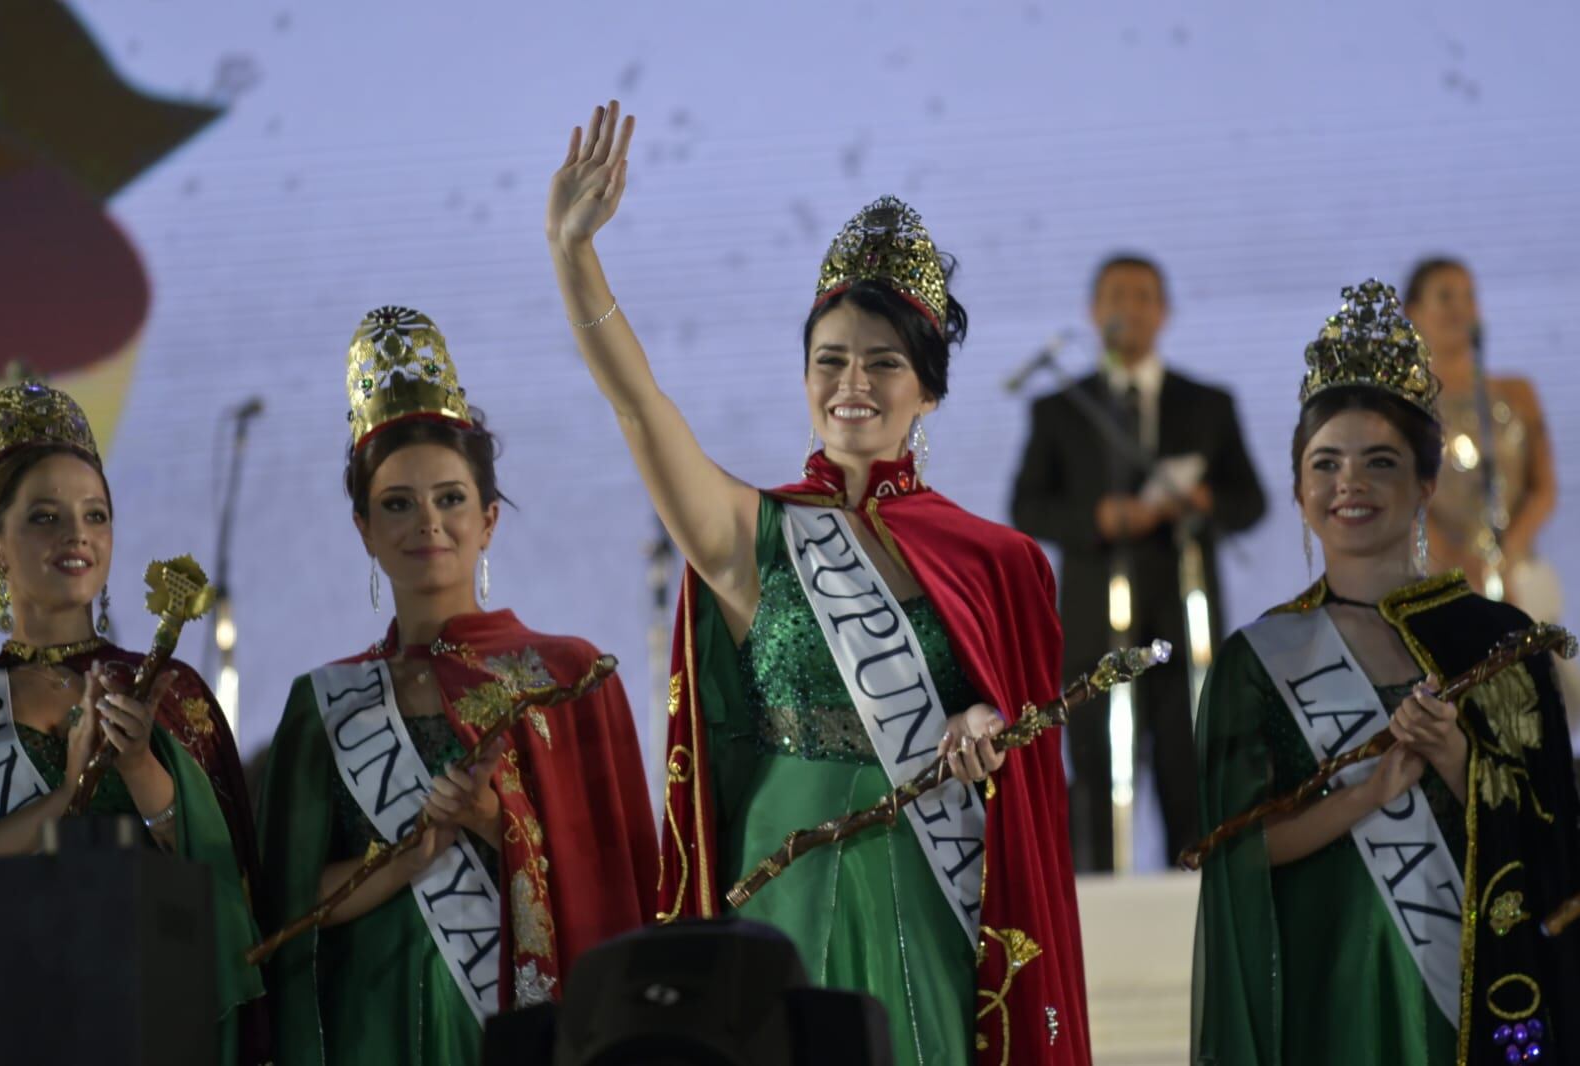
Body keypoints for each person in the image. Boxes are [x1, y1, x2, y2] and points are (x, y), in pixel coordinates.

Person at [546, 101, 1089, 1066]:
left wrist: (979, 724)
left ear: (927, 389)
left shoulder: (999, 562)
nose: (854, 381)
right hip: (779, 863)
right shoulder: (754, 533)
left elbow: (1027, 768)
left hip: (928, 869)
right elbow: (639, 408)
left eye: (885, 362)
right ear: (803, 375)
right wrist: (573, 254)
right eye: (829, 358)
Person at [256, 307, 658, 1065]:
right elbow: (284, 909)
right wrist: (407, 859)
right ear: (363, 530)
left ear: (489, 520)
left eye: (449, 499)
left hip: (510, 1031)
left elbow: (616, 885)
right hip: (365, 1026)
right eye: (397, 505)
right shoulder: (324, 702)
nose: (427, 524)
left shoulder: (570, 676)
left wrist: (496, 822)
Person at [1192, 280, 1580, 1065]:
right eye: (1324, 463)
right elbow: (1234, 849)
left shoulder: (1499, 642)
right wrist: (1367, 796)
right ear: (1299, 490)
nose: (1348, 484)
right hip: (1322, 986)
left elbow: (1558, 845)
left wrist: (1456, 761)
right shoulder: (1257, 659)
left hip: (1473, 1001)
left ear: (1425, 486)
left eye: (1379, 462)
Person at [0, 378, 268, 1063]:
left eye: (95, 515)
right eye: (45, 517)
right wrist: (67, 792)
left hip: (150, 1017)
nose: (77, 535)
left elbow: (227, 888)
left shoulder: (171, 694)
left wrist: (141, 768)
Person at [1010, 254, 1266, 871]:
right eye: (1116, 295)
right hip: (1096, 621)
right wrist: (1097, 519)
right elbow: (1027, 507)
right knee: (1097, 779)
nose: (1129, 307)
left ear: (1165, 311)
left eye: (1144, 295)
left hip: (1184, 622)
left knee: (1189, 775)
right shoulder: (1060, 408)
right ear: (1094, 311)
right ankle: (1097, 927)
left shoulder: (1207, 403)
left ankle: (1195, 912)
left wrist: (1205, 503)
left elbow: (1249, 501)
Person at [1405, 257, 1560, 610]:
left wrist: (1503, 559)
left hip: (1517, 579)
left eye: (1468, 296)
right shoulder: (1402, 406)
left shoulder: (1518, 392)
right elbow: (1402, 503)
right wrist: (1459, 566)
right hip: (1440, 585)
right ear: (1413, 310)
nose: (1459, 309)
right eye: (1445, 297)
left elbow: (1544, 489)